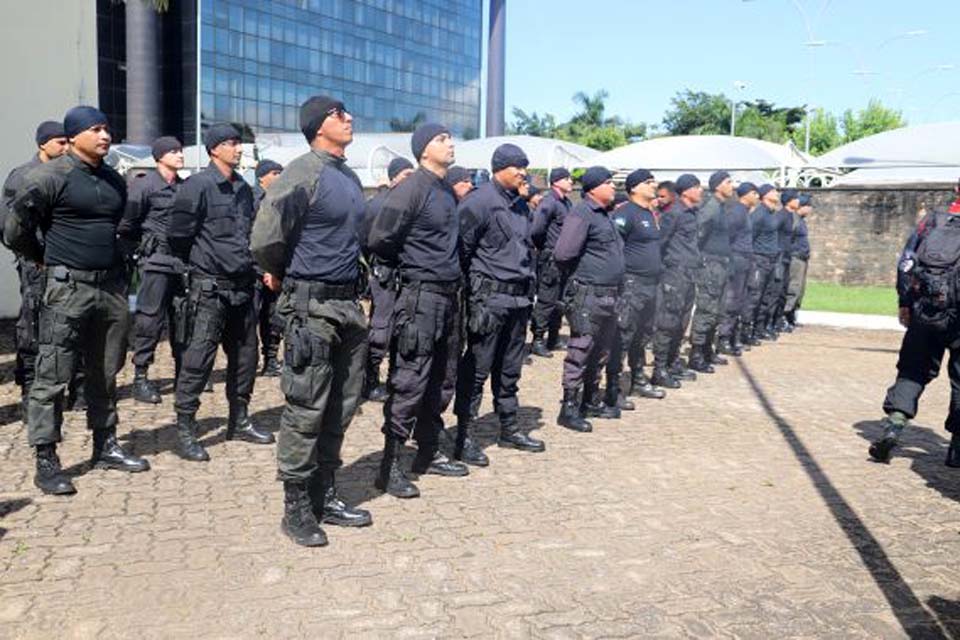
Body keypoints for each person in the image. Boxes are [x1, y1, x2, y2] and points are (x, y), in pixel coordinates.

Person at [4, 106, 150, 495]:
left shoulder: (114, 181)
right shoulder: (47, 177)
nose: (105, 135)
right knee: (53, 374)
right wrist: (42, 257)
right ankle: (46, 459)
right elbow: (14, 230)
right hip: (67, 290)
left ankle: (106, 445)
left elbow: (120, 227)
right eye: (96, 129)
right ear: (74, 136)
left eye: (107, 128)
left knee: (105, 371)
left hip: (111, 289)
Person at [251, 95, 372, 547]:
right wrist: (285, 275)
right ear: (320, 126)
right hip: (311, 308)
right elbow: (266, 237)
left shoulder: (348, 177)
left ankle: (326, 494)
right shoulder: (303, 171)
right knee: (306, 409)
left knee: (341, 405)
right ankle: (296, 507)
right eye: (341, 114)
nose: (350, 117)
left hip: (346, 307)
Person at [368, 122, 468, 499]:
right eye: (442, 139)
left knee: (443, 377)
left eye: (449, 137)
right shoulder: (411, 188)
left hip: (447, 297)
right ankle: (389, 466)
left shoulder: (445, 190)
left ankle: (428, 451)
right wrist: (411, 270)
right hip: (419, 297)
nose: (450, 143)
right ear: (424, 149)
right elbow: (380, 239)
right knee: (409, 380)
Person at [168, 123, 274, 463]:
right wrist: (204, 263)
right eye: (231, 143)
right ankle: (186, 428)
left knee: (246, 358)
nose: (238, 149)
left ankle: (239, 420)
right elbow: (178, 237)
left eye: (238, 143)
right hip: (209, 289)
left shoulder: (244, 189)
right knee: (198, 360)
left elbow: (251, 236)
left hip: (243, 289)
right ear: (214, 149)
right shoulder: (197, 186)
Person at [453, 143, 545, 466]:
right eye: (517, 166)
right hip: (489, 300)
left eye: (525, 166)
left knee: (510, 371)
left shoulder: (522, 207)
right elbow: (461, 252)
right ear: (499, 168)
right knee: (476, 371)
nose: (523, 172)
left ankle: (509, 428)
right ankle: (463, 436)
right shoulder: (478, 202)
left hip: (519, 300)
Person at [869, 184, 960, 468]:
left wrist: (905, 302)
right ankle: (957, 450)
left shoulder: (932, 221)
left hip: (926, 311)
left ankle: (893, 427)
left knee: (912, 370)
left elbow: (906, 263)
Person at [1, 121, 71, 413]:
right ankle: (29, 385)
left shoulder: (71, 173)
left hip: (66, 261)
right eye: (59, 142)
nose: (65, 147)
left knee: (68, 322)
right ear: (43, 144)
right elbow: (7, 225)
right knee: (32, 321)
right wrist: (30, 255)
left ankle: (73, 384)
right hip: (35, 262)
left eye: (68, 141)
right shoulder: (23, 176)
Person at [553, 166, 624, 432]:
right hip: (588, 294)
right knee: (580, 350)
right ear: (593, 187)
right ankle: (568, 408)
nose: (612, 187)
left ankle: (589, 401)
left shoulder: (606, 214)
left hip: (610, 295)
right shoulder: (582, 212)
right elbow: (563, 254)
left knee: (601, 351)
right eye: (608, 182)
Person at [122, 136, 186, 404]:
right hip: (154, 263)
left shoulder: (185, 187)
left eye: (181, 150)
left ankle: (185, 376)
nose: (180, 155)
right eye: (174, 151)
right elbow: (126, 226)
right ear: (159, 156)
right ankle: (140, 378)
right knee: (149, 321)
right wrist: (141, 251)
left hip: (181, 264)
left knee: (184, 320)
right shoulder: (144, 186)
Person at [361, 156, 415, 403]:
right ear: (393, 177)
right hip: (384, 274)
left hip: (408, 276)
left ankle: (395, 378)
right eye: (404, 175)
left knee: (402, 330)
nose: (409, 180)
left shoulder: (414, 202)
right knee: (381, 331)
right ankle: (369, 381)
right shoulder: (378, 204)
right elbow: (363, 239)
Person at [610, 169, 666, 401]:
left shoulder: (649, 214)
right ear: (634, 188)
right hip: (632, 284)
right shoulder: (625, 214)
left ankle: (639, 380)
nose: (654, 185)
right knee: (623, 336)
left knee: (643, 336)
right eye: (648, 182)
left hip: (651, 285)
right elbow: (615, 247)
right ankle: (613, 389)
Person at [650, 174, 703, 389]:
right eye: (697, 187)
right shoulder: (674, 213)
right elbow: (660, 243)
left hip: (690, 274)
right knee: (667, 321)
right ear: (686, 190)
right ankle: (659, 368)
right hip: (674, 273)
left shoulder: (693, 213)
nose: (700, 191)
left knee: (681, 322)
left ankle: (672, 363)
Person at [688, 171, 734, 373]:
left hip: (721, 265)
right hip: (710, 265)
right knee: (706, 309)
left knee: (717, 310)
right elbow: (698, 233)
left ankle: (708, 349)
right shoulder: (712, 207)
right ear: (717, 186)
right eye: (728, 182)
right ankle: (697, 353)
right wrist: (700, 261)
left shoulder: (722, 207)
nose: (732, 185)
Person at [530, 167, 575, 357]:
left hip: (565, 259)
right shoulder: (549, 203)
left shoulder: (567, 203)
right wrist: (546, 249)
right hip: (551, 258)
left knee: (561, 300)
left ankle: (553, 337)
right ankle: (538, 339)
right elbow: (536, 230)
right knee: (547, 299)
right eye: (568, 179)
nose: (571, 182)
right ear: (557, 181)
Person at [718, 182, 759, 356]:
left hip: (745, 260)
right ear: (746, 195)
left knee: (741, 300)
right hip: (737, 260)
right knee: (732, 301)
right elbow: (727, 236)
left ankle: (733, 336)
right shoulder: (736, 212)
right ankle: (724, 338)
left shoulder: (745, 212)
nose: (757, 197)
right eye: (754, 193)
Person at [252, 159, 284, 377]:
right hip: (253, 270)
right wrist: (262, 269)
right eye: (274, 172)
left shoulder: (281, 201)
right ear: (262, 177)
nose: (279, 177)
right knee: (248, 319)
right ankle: (246, 361)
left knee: (273, 317)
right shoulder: (252, 200)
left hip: (274, 269)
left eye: (281, 172)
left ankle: (270, 360)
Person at [745, 184, 782, 343]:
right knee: (755, 296)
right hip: (759, 260)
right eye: (773, 191)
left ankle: (758, 329)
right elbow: (750, 237)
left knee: (766, 296)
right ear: (765, 195)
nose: (777, 193)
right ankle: (746, 332)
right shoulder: (759, 214)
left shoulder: (771, 213)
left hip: (771, 260)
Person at [770, 189, 799, 334]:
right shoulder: (781, 215)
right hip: (779, 257)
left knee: (783, 292)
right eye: (796, 198)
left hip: (786, 257)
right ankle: (770, 323)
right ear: (789, 200)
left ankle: (777, 321)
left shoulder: (790, 216)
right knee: (776, 292)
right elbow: (772, 232)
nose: (798, 201)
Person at [783, 193, 812, 330]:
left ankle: (792, 314)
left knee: (800, 288)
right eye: (808, 206)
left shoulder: (801, 220)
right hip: (795, 258)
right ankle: (785, 315)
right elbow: (789, 239)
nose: (810, 209)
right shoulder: (794, 220)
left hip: (802, 258)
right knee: (793, 286)